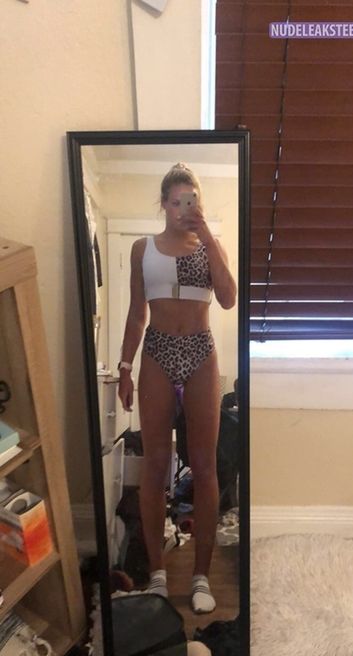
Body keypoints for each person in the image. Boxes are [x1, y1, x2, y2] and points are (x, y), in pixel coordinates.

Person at [118, 163, 236, 613]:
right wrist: (125, 367)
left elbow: (228, 298)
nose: (185, 209)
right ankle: (157, 575)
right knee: (155, 465)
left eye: (192, 201)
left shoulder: (210, 246)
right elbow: (136, 313)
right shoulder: (142, 248)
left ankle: (201, 576)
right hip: (157, 352)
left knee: (205, 466)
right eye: (176, 201)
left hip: (201, 352)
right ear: (164, 204)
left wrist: (208, 237)